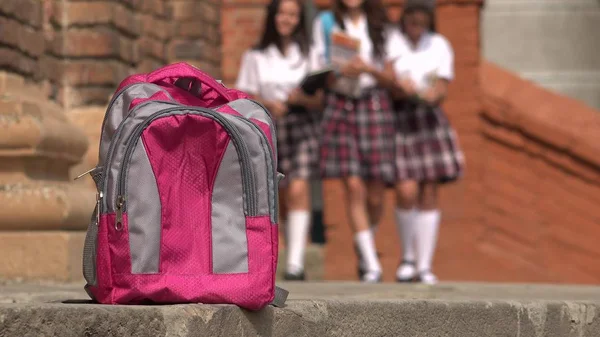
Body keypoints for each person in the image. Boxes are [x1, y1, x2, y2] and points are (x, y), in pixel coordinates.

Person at [235, 0, 324, 281]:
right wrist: (268, 103)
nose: (287, 19)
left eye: (293, 15)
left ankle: (296, 263)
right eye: (283, 14)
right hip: (267, 126)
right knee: (278, 192)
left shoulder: (309, 53)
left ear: (299, 19)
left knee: (298, 188)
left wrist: (301, 99)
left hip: (300, 124)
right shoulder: (256, 55)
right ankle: (280, 251)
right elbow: (244, 95)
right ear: (274, 17)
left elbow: (319, 98)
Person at [312, 0, 396, 283]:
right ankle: (372, 265)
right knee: (353, 184)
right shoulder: (326, 22)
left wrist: (368, 69)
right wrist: (337, 73)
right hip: (341, 102)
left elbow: (391, 76)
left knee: (375, 190)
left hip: (373, 103)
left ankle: (365, 245)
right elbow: (316, 68)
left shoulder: (382, 26)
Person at [386, 0, 465, 284]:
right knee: (406, 189)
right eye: (411, 22)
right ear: (404, 21)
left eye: (421, 23)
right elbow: (389, 80)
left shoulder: (439, 44)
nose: (415, 29)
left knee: (430, 188)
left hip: (429, 118)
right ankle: (407, 257)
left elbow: (441, 89)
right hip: (402, 118)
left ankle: (424, 265)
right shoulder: (394, 41)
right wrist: (400, 88)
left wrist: (427, 94)